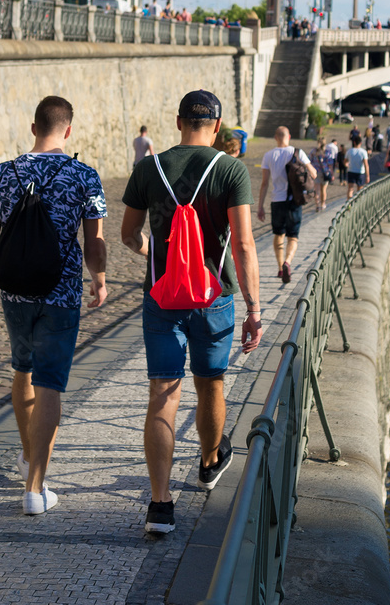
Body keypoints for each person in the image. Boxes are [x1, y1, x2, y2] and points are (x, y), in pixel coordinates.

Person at [121, 90, 263, 535]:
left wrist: (154, 253)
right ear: (217, 126)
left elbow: (128, 234)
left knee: (163, 393)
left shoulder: (148, 168)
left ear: (178, 120)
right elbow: (242, 245)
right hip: (213, 298)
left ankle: (160, 506)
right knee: (210, 385)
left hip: (162, 298)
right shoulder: (231, 169)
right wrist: (255, 307)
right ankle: (208, 460)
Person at [0, 96, 108, 515]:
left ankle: (30, 455)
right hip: (62, 294)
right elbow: (95, 240)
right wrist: (99, 280)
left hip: (12, 291)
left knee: (23, 369)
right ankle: (35, 488)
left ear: (34, 127)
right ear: (67, 131)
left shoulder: (4, 173)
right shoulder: (84, 175)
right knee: (49, 383)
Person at [257, 126, 317, 283]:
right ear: (288, 136)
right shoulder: (298, 152)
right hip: (294, 201)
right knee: (293, 237)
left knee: (278, 234)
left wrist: (260, 206)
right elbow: (313, 173)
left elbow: (264, 184)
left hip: (277, 201)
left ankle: (279, 267)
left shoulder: (268, 155)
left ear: (276, 137)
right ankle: (287, 262)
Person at [309, 136, 335, 211]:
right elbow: (330, 165)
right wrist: (332, 174)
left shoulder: (313, 151)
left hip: (315, 172)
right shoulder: (327, 152)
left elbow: (309, 161)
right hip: (325, 173)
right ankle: (323, 204)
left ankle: (317, 205)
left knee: (316, 190)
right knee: (323, 190)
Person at [345, 132, 370, 199]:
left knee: (350, 188)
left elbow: (345, 162)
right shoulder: (363, 152)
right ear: (361, 143)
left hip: (351, 171)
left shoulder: (349, 151)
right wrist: (367, 176)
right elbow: (366, 165)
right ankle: (358, 203)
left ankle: (349, 204)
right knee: (359, 189)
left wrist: (347, 164)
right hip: (360, 172)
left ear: (354, 142)